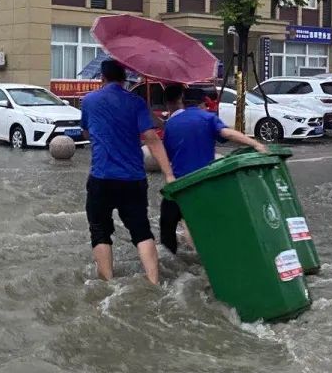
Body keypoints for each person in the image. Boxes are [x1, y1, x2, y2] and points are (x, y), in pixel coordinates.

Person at [80, 59, 175, 285]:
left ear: (101, 78)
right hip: (133, 179)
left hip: (101, 178)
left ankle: (107, 282)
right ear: (125, 79)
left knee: (100, 231)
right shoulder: (137, 102)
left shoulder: (89, 101)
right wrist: (168, 173)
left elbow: (85, 133)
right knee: (141, 230)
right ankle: (154, 282)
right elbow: (151, 138)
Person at [158, 83, 267, 253]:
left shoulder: (171, 124)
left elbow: (166, 154)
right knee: (200, 226)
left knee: (168, 226)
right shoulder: (207, 118)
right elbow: (228, 134)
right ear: (203, 103)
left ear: (183, 102)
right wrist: (256, 144)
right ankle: (205, 260)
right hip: (203, 185)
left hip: (178, 186)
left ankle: (174, 264)